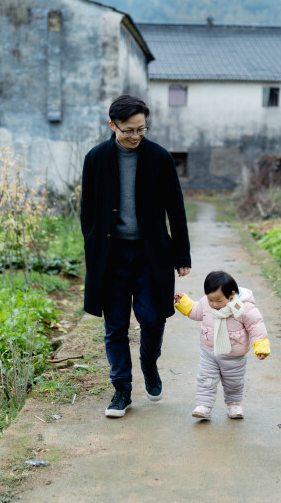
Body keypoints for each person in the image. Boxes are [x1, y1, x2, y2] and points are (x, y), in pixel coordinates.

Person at [80, 94, 191, 418]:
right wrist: (92, 243)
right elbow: (87, 209)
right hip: (111, 256)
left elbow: (176, 210)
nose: (135, 136)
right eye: (128, 130)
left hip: (150, 254)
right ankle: (122, 390)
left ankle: (149, 363)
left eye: (141, 129)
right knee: (115, 326)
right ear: (112, 125)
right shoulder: (96, 158)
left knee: (153, 317)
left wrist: (181, 254)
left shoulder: (160, 158)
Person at [174, 270, 270, 420]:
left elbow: (255, 326)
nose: (214, 304)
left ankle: (234, 404)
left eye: (219, 301)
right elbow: (195, 311)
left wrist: (260, 345)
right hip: (209, 352)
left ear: (231, 294)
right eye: (211, 300)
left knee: (234, 382)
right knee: (206, 379)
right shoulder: (206, 303)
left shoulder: (243, 308)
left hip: (233, 356)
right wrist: (184, 302)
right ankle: (204, 405)